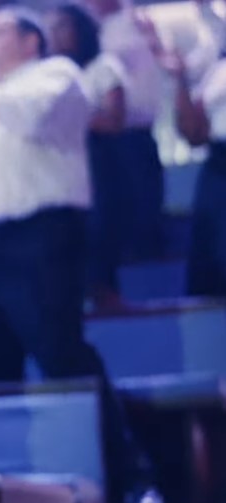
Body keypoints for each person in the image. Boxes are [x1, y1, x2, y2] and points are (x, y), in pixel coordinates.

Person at [0, 6, 158, 503]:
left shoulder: (56, 76)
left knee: (62, 358)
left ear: (31, 41)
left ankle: (128, 477)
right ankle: (12, 498)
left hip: (37, 240)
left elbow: (30, 116)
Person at [46, 2, 132, 309]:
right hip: (60, 168)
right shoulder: (49, 76)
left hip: (100, 161)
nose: (55, 35)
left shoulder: (103, 67)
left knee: (99, 235)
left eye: (62, 27)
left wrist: (70, 118)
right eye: (51, 29)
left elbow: (114, 120)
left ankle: (107, 298)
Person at [83, 0, 166, 261]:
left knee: (144, 210)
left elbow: (162, 62)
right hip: (101, 141)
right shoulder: (89, 28)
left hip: (137, 132)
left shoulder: (138, 23)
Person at [165, 40, 226, 296]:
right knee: (211, 256)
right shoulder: (218, 71)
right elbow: (193, 133)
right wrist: (180, 79)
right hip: (218, 168)